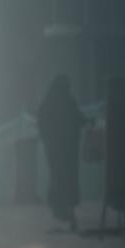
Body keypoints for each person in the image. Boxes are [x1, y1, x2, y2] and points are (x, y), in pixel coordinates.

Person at [37, 74, 88, 231]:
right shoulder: (63, 102)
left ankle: (63, 208)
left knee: (60, 176)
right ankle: (63, 208)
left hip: (60, 149)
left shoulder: (51, 103)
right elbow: (78, 118)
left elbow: (78, 118)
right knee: (62, 176)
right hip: (62, 148)